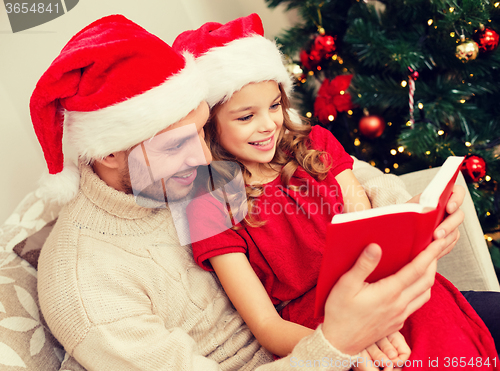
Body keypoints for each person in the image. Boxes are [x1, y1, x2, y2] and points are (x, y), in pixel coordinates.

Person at [34, 14, 462, 371]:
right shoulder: (87, 288)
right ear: (109, 151)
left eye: (202, 132)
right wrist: (336, 345)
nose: (206, 161)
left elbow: (339, 177)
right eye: (180, 144)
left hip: (341, 325)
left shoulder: (177, 175)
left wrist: (410, 216)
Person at [175, 14, 499, 370]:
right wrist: (350, 342)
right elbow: (267, 327)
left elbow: (369, 228)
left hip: (387, 295)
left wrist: (422, 223)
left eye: (273, 106)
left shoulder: (316, 144)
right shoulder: (207, 208)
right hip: (320, 331)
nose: (269, 125)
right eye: (245, 117)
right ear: (209, 127)